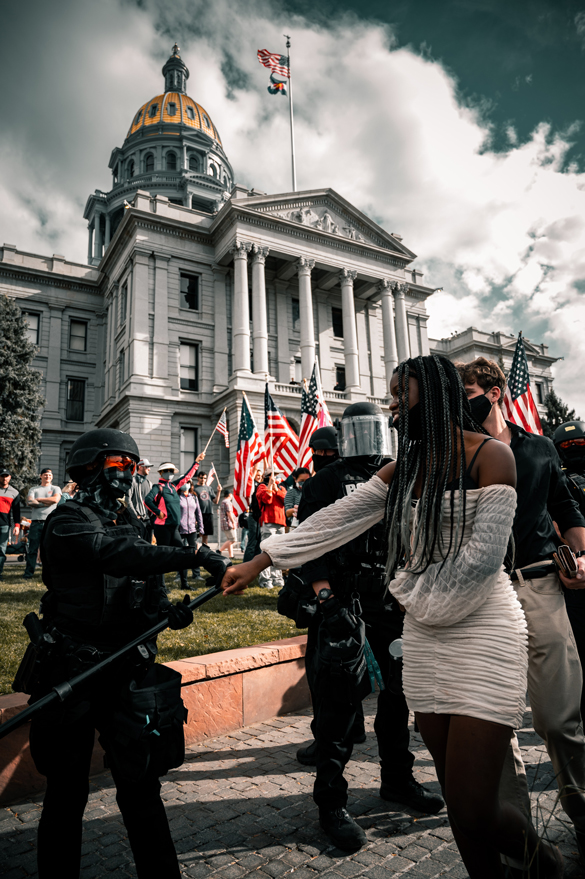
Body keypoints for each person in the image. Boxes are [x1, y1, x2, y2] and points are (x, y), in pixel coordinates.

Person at [222, 355, 563, 878]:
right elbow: (339, 517)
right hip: (425, 638)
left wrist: (407, 594)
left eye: (401, 396)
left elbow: (479, 564)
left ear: (436, 394)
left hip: (481, 632)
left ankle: (548, 863)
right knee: (460, 810)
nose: (392, 409)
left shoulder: (493, 456)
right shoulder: (405, 466)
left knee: (476, 807)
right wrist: (260, 559)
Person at [29, 427, 230, 879]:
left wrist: (164, 612)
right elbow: (117, 554)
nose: (127, 476)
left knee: (141, 789)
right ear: (89, 468)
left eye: (133, 467)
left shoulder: (132, 523)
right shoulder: (66, 521)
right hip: (72, 673)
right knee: (66, 793)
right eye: (118, 465)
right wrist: (195, 555)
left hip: (124, 672)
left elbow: (147, 584)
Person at [292, 404, 442, 850]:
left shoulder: (402, 474)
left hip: (394, 604)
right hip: (343, 605)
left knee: (397, 702)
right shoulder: (326, 480)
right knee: (337, 710)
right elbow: (309, 541)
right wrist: (325, 599)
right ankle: (331, 804)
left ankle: (397, 780)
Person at [459, 358, 585, 864]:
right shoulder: (457, 454)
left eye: (466, 389)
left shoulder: (538, 447)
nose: (460, 401)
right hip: (481, 598)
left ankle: (583, 815)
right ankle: (521, 848)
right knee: (497, 727)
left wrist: (580, 555)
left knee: (560, 719)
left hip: (540, 586)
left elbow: (566, 509)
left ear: (494, 392)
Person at [554, 419, 585, 719]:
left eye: (579, 445)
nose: (574, 451)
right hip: (576, 576)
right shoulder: (561, 483)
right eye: (568, 447)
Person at [145, 457, 205, 551]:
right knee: (165, 554)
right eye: (166, 470)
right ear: (161, 472)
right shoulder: (157, 487)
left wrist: (196, 462)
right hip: (162, 527)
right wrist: (158, 512)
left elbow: (186, 477)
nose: (169, 473)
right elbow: (147, 500)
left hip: (175, 527)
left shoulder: (173, 486)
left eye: (171, 471)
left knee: (178, 552)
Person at [24, 469, 61, 579]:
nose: (47, 477)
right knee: (32, 550)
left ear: (52, 476)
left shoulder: (56, 488)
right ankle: (28, 574)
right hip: (36, 523)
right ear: (41, 476)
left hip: (50, 522)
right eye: (45, 475)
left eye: (49, 475)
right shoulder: (34, 489)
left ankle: (49, 574)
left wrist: (39, 500)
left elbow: (55, 500)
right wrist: (46, 503)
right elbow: (30, 502)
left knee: (49, 549)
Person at [256, 469, 286, 589]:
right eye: (275, 475)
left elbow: (285, 499)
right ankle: (265, 579)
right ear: (269, 476)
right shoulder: (262, 487)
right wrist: (270, 486)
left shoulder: (281, 488)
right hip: (268, 521)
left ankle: (277, 577)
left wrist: (276, 489)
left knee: (279, 552)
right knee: (267, 552)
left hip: (280, 523)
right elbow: (266, 499)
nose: (277, 478)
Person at [178, 481, 204, 588]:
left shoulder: (194, 498)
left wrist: (201, 528)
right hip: (180, 530)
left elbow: (198, 513)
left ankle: (196, 574)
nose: (186, 484)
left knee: (194, 553)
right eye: (183, 482)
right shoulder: (178, 497)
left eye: (187, 482)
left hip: (192, 530)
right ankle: (180, 576)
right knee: (181, 555)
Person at [0, 467, 21, 580]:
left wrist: (17, 526)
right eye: (2, 475)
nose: (4, 478)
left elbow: (16, 511)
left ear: (10, 477)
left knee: (1, 550)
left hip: (4, 525)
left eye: (6, 476)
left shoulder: (14, 492)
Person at [193, 471, 222, 547]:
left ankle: (204, 551)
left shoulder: (209, 488)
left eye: (205, 478)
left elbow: (215, 501)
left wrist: (219, 491)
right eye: (201, 478)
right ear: (198, 478)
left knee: (205, 535)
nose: (203, 479)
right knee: (196, 535)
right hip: (198, 514)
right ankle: (195, 550)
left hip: (208, 514)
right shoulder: (194, 488)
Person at [128, 458, 153, 540]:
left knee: (148, 545)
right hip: (138, 520)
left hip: (148, 521)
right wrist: (135, 515)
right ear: (140, 467)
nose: (149, 469)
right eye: (147, 467)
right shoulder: (133, 481)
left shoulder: (149, 483)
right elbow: (127, 500)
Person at [243, 468, 264, 562]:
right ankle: (246, 564)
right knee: (252, 541)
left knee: (259, 541)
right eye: (257, 475)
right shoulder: (252, 486)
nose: (259, 477)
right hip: (253, 516)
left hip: (260, 516)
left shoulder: (262, 486)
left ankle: (255, 564)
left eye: (260, 476)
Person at [219, 489, 238, 558]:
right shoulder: (227, 502)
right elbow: (229, 512)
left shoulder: (223, 502)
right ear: (229, 495)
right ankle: (219, 550)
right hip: (228, 523)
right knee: (233, 539)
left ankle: (231, 555)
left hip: (224, 523)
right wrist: (233, 522)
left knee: (229, 540)